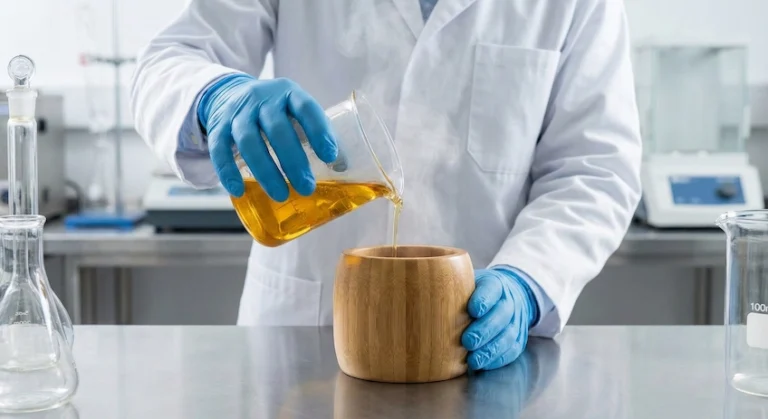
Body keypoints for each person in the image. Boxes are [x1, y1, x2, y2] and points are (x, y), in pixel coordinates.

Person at [131, 0, 642, 371]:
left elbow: (595, 168)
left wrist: (527, 283)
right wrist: (215, 96)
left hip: (471, 342)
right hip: (305, 339)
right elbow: (169, 61)